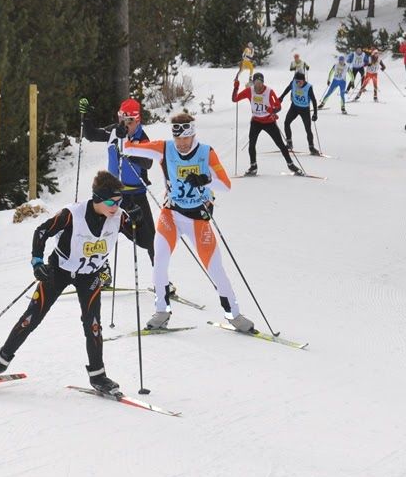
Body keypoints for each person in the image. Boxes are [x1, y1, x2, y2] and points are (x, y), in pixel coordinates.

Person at [0, 171, 136, 395]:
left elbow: (144, 242)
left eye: (120, 201)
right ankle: (0, 361)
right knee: (32, 317)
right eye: (111, 201)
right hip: (58, 270)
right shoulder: (72, 214)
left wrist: (140, 222)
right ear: (97, 198)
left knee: (94, 325)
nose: (116, 206)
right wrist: (37, 261)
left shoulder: (119, 216)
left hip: (90, 275)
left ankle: (98, 376)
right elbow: (42, 231)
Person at [121, 114, 255, 333]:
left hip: (197, 219)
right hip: (171, 214)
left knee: (216, 269)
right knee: (160, 261)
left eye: (186, 138)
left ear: (193, 134)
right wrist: (122, 135)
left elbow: (226, 185)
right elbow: (130, 149)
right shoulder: (165, 149)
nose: (182, 144)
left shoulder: (205, 153)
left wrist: (206, 179)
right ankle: (162, 310)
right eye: (178, 139)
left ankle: (234, 315)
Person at [82, 98, 155, 268]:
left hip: (136, 194)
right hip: (112, 194)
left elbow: (148, 163)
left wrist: (128, 150)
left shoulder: (143, 139)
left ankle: (161, 281)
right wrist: (86, 117)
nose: (126, 124)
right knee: (97, 234)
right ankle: (101, 272)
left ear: (138, 121)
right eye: (123, 120)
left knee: (151, 240)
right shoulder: (114, 132)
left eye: (130, 121)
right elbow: (91, 135)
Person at [231, 72, 300, 176]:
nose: (258, 85)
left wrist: (272, 111)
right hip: (256, 121)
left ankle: (290, 164)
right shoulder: (249, 91)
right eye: (256, 82)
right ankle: (253, 166)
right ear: (253, 82)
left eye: (260, 83)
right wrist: (236, 87)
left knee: (280, 144)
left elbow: (278, 107)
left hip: (269, 122)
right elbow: (235, 99)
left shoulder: (269, 92)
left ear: (263, 83)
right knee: (252, 144)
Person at [278, 70, 320, 155]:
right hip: (294, 107)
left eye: (299, 82)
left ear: (304, 80)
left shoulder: (308, 87)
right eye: (296, 81)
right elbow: (287, 89)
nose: (297, 83)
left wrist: (315, 113)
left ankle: (311, 147)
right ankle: (289, 143)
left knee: (308, 129)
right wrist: (281, 97)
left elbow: (314, 101)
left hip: (305, 110)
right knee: (286, 123)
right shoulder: (293, 83)